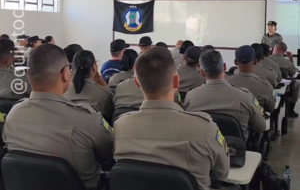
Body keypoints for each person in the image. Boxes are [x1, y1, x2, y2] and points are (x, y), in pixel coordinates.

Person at [114, 47, 229, 189]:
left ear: (137, 83)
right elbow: (222, 173)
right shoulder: (204, 128)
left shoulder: (120, 126)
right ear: (176, 81)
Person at [3, 44, 114, 190]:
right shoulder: (86, 119)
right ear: (65, 74)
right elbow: (110, 153)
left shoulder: (13, 115)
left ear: (29, 75)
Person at [184, 50, 266, 140]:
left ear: (202, 73)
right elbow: (261, 127)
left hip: (203, 151)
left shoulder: (191, 97)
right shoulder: (245, 97)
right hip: (237, 151)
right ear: (224, 67)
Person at [64, 50, 115, 124]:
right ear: (94, 66)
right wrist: (103, 84)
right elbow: (108, 120)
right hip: (93, 133)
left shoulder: (64, 89)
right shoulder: (104, 93)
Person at [228, 45, 275, 113]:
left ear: (235, 62)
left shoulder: (226, 83)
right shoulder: (266, 87)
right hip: (255, 122)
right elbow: (271, 108)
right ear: (255, 61)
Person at [269, 42, 299, 117]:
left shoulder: (266, 59)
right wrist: (291, 59)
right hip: (282, 87)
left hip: (268, 85)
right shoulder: (287, 63)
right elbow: (293, 73)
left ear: (276, 49)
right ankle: (290, 110)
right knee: (296, 84)